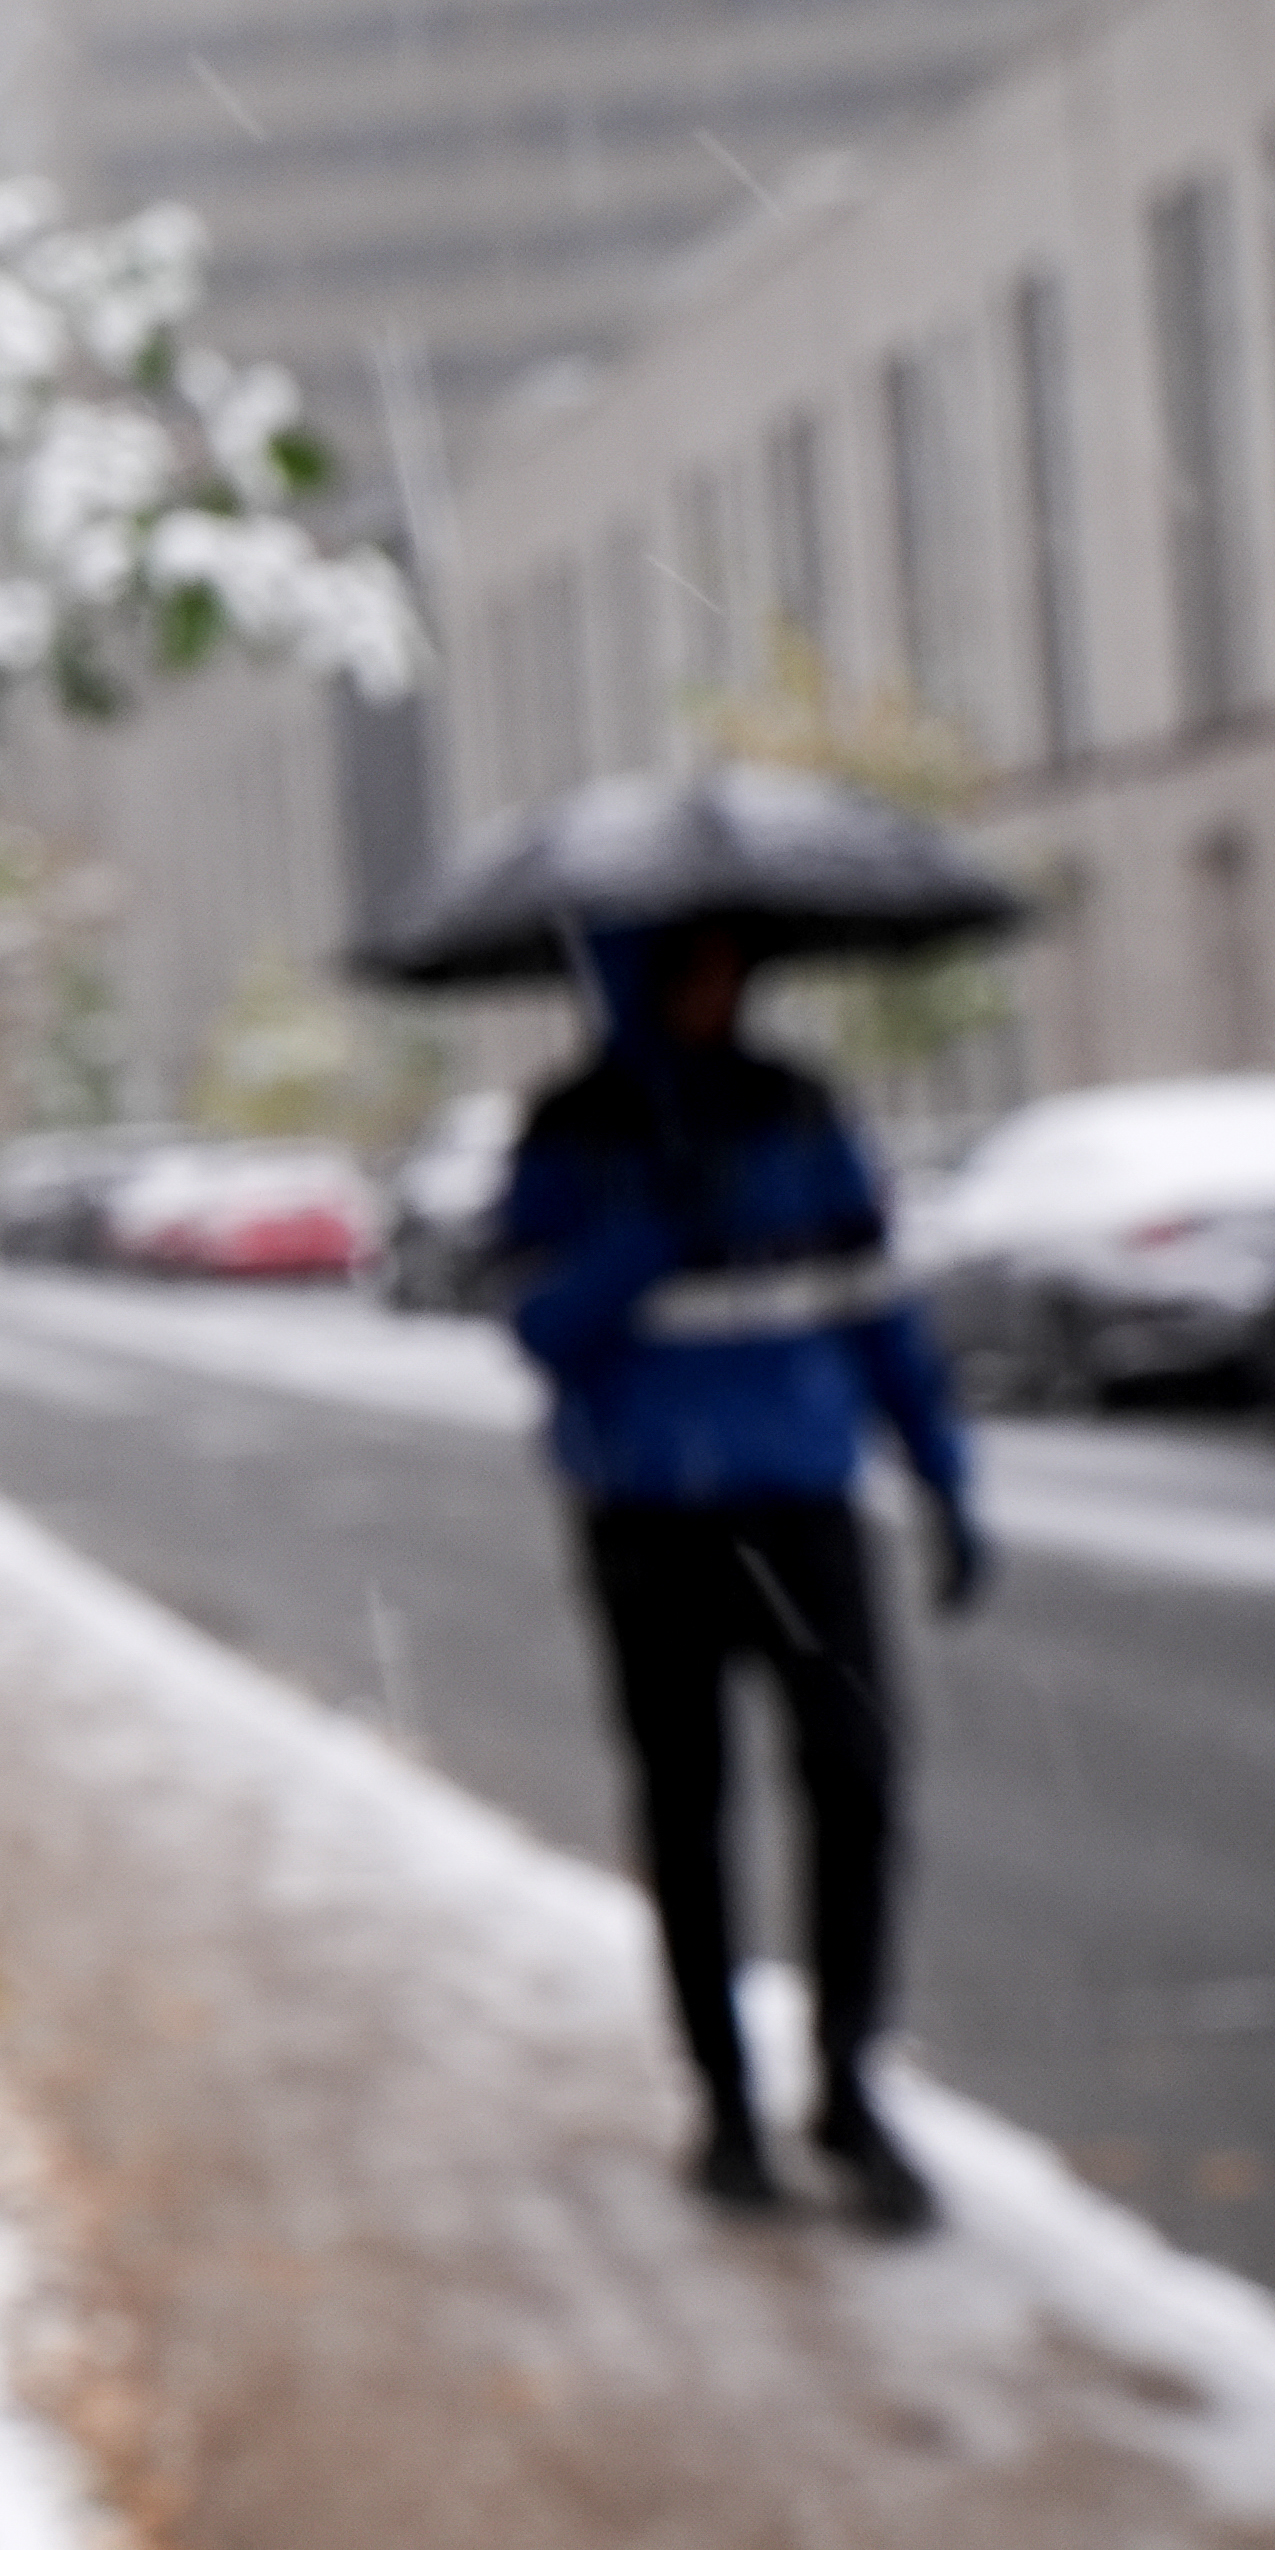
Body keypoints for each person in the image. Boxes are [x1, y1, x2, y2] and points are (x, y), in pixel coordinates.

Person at [498, 918, 986, 2230]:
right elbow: (538, 1329)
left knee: (856, 1788)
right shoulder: (568, 1128)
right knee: (686, 1806)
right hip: (645, 1518)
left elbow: (874, 1308)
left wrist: (939, 1473)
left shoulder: (798, 1111)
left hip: (800, 1507)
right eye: (686, 965)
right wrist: (644, 1233)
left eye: (729, 964)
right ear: (638, 976)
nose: (715, 987)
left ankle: (843, 2085)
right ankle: (722, 2104)